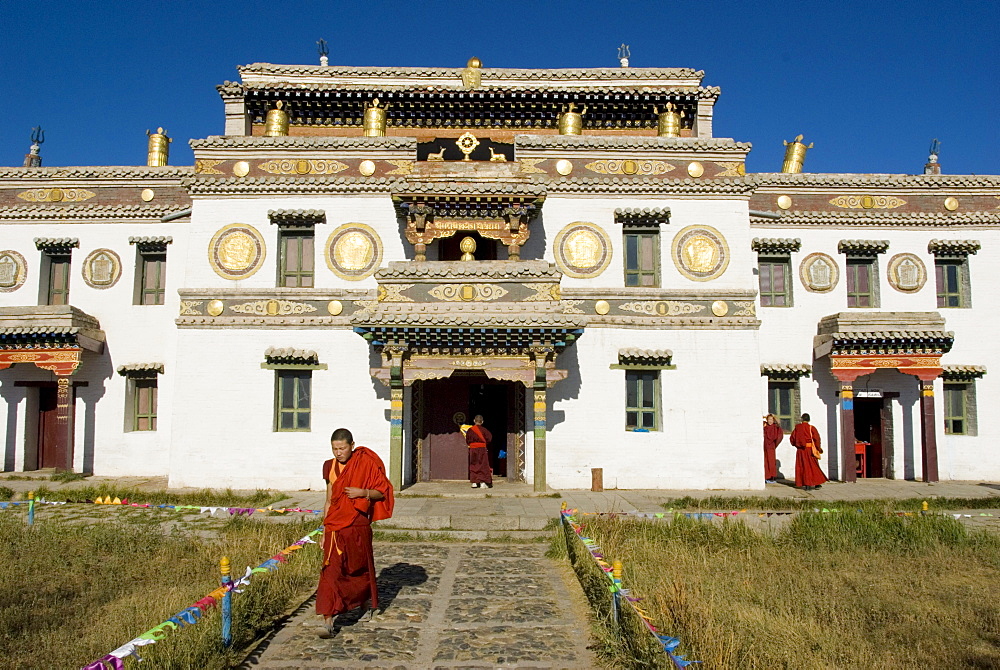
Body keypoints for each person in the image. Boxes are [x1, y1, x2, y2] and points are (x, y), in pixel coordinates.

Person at [317, 428, 394, 638]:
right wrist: (324, 529)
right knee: (330, 570)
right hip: (335, 526)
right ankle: (328, 620)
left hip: (358, 524)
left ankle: (363, 601)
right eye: (334, 449)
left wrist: (363, 493)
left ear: (352, 445)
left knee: (358, 568)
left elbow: (383, 491)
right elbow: (329, 500)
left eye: (342, 448)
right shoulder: (329, 467)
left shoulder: (365, 462)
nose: (338, 453)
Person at [789, 413, 827, 490]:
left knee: (803, 466)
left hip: (800, 451)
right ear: (809, 419)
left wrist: (796, 445)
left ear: (802, 419)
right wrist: (818, 448)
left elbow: (792, 438)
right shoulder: (811, 428)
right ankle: (815, 483)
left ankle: (806, 484)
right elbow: (817, 439)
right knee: (813, 466)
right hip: (810, 450)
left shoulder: (797, 427)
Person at [466, 414, 493, 489]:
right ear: (482, 422)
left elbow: (467, 440)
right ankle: (482, 482)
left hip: (473, 449)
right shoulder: (484, 430)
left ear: (474, 421)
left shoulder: (470, 430)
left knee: (473, 464)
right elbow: (489, 439)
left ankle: (474, 482)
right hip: (482, 449)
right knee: (483, 465)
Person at [763, 414, 783, 484]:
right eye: (769, 420)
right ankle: (766, 477)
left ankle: (772, 477)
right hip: (765, 447)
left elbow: (779, 435)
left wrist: (775, 445)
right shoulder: (765, 427)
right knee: (766, 462)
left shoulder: (775, 427)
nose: (770, 421)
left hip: (771, 447)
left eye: (771, 420)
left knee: (771, 462)